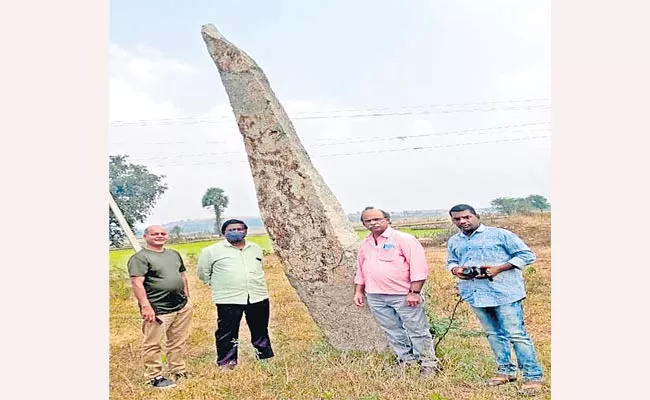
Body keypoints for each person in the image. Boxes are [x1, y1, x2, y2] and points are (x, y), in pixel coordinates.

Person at [446, 204, 543, 395]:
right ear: (453, 221)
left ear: (477, 216)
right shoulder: (454, 241)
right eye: (457, 219)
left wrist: (499, 268)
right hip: (475, 293)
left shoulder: (500, 235)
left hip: (504, 292)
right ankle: (506, 371)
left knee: (516, 334)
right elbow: (452, 261)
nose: (463, 222)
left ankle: (533, 377)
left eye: (466, 217)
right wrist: (456, 270)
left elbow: (527, 255)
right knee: (493, 334)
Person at [353, 206, 442, 376]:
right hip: (375, 295)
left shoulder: (403, 239)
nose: (373, 223)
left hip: (403, 295)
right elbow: (361, 269)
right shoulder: (365, 244)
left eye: (377, 219)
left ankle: (429, 363)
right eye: (368, 221)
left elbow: (418, 268)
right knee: (392, 330)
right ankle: (406, 361)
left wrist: (414, 292)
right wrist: (359, 291)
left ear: (387, 220)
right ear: (363, 224)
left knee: (417, 329)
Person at [197, 219, 275, 369]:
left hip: (257, 295)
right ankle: (227, 362)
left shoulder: (255, 248)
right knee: (227, 331)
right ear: (224, 232)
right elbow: (203, 273)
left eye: (240, 229)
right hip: (229, 298)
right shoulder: (211, 251)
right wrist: (222, 284)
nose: (236, 232)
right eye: (232, 229)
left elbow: (260, 267)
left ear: (246, 231)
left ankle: (264, 356)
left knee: (260, 327)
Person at [127, 225, 192, 389]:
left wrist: (187, 297)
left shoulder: (173, 254)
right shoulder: (140, 258)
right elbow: (137, 283)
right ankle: (154, 376)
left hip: (180, 305)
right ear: (146, 236)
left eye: (162, 233)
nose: (159, 236)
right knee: (153, 343)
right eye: (155, 234)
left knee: (178, 340)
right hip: (158, 308)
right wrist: (145, 306)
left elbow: (182, 276)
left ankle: (178, 369)